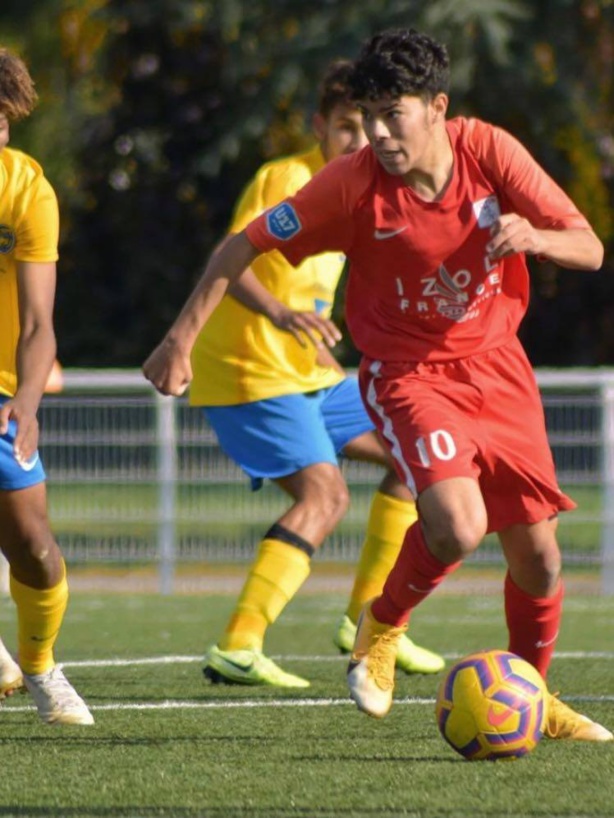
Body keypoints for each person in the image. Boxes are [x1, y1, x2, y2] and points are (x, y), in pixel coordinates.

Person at [141, 29, 613, 741]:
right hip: (409, 374)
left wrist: (537, 237)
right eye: (369, 116)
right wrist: (179, 339)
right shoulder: (351, 184)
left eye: (396, 114)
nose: (380, 133)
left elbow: (590, 246)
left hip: (500, 370)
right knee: (457, 526)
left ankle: (533, 696)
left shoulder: (490, 151)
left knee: (541, 559)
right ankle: (382, 624)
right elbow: (243, 244)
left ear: (438, 108)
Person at [145, 59, 444, 688]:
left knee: (415, 458)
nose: (359, 141)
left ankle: (367, 622)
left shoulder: (366, 192)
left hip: (305, 376)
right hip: (250, 371)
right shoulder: (288, 177)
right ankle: (238, 644)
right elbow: (233, 257)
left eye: (367, 126)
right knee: (325, 495)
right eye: (344, 127)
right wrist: (277, 315)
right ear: (319, 126)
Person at [0, 48, 93, 724]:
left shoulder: (26, 191)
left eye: (1, 122)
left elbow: (39, 325)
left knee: (32, 547)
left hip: (3, 391)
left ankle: (37, 665)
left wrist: (25, 406)